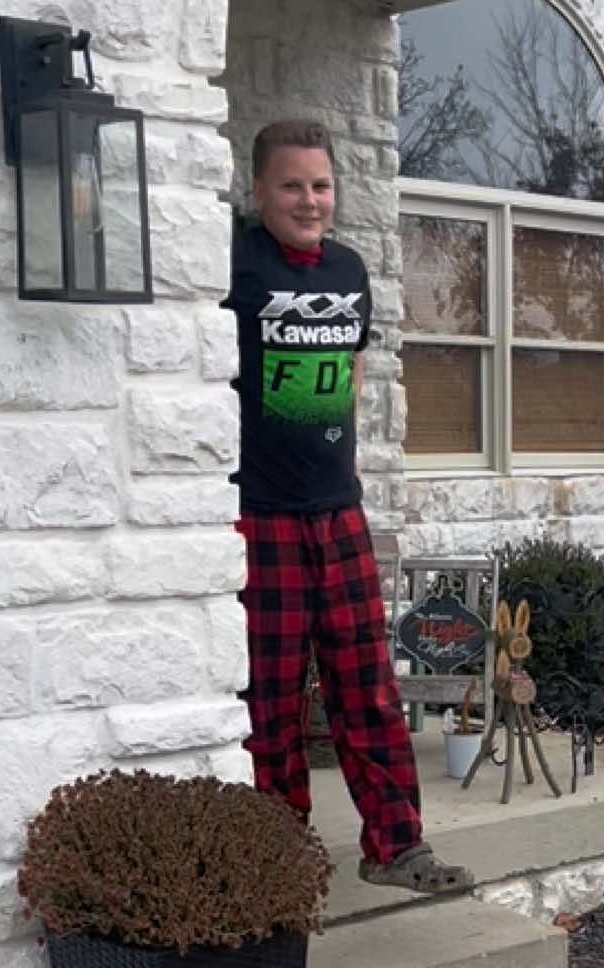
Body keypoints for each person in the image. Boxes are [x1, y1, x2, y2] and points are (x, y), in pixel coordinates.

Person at [224, 118, 473, 896]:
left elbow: (349, 376)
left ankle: (397, 848)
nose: (309, 200)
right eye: (292, 185)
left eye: (321, 185)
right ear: (259, 188)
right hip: (261, 515)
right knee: (271, 699)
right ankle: (277, 862)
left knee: (367, 685)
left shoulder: (350, 268)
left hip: (339, 512)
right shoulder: (236, 260)